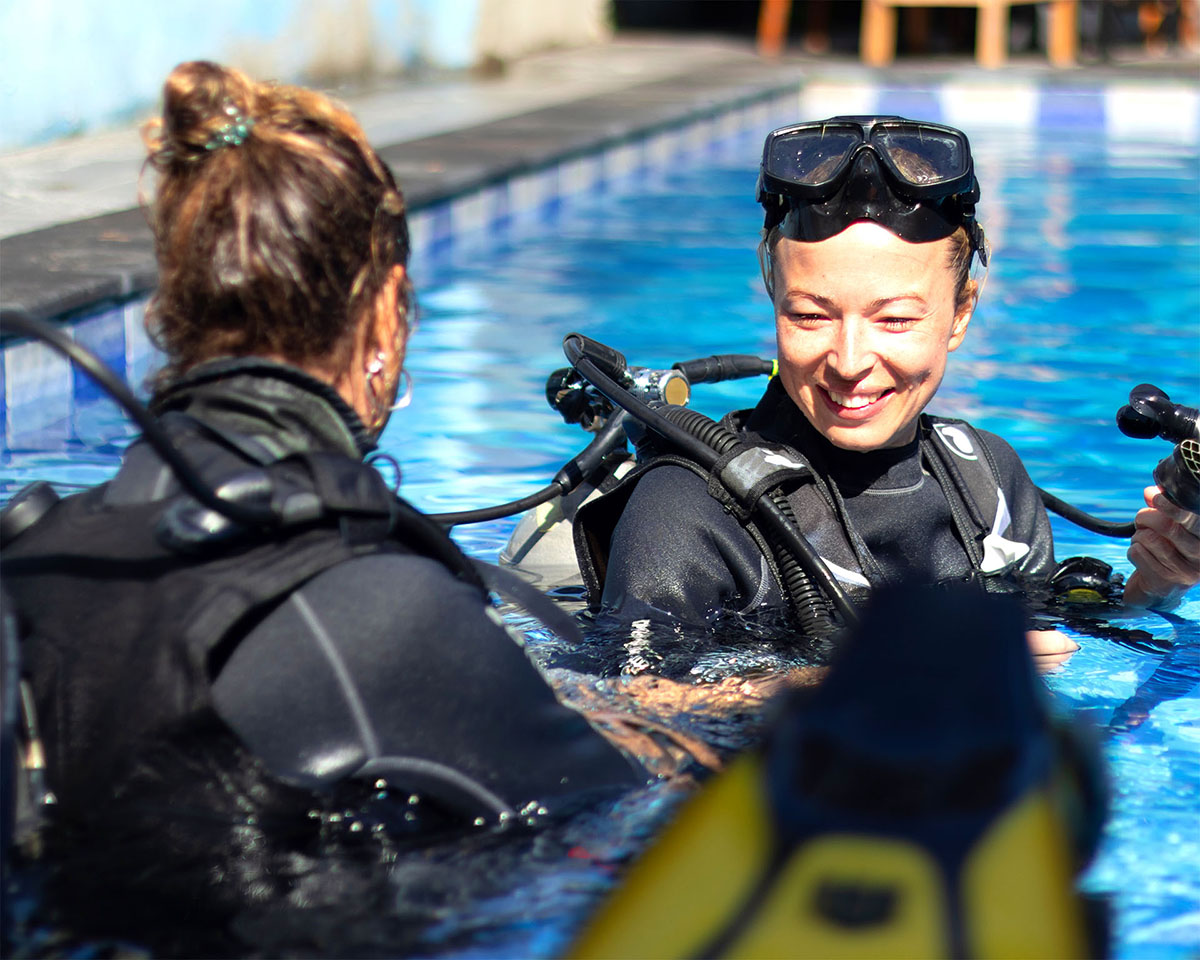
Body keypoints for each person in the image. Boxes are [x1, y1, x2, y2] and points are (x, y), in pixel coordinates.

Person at [1, 61, 643, 844]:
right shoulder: (383, 612)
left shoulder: (40, 564)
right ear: (383, 316)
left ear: (173, 312)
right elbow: (617, 826)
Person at [573, 116, 1198, 650]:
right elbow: (638, 717)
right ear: (772, 296)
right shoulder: (690, 512)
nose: (848, 361)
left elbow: (1051, 647)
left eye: (895, 319)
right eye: (809, 315)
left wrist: (1154, 584)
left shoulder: (988, 482)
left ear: (960, 314)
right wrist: (916, 673)